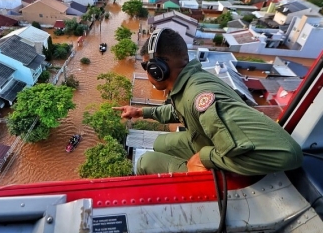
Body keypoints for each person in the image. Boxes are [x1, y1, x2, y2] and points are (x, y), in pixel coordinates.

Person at [113, 28, 303, 176]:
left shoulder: (199, 96)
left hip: (219, 152)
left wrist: (205, 158)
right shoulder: (188, 83)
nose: (147, 72)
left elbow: (289, 153)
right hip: (205, 140)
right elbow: (179, 110)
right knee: (161, 143)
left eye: (147, 66)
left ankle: (195, 176)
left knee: (145, 162)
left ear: (158, 68)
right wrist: (140, 112)